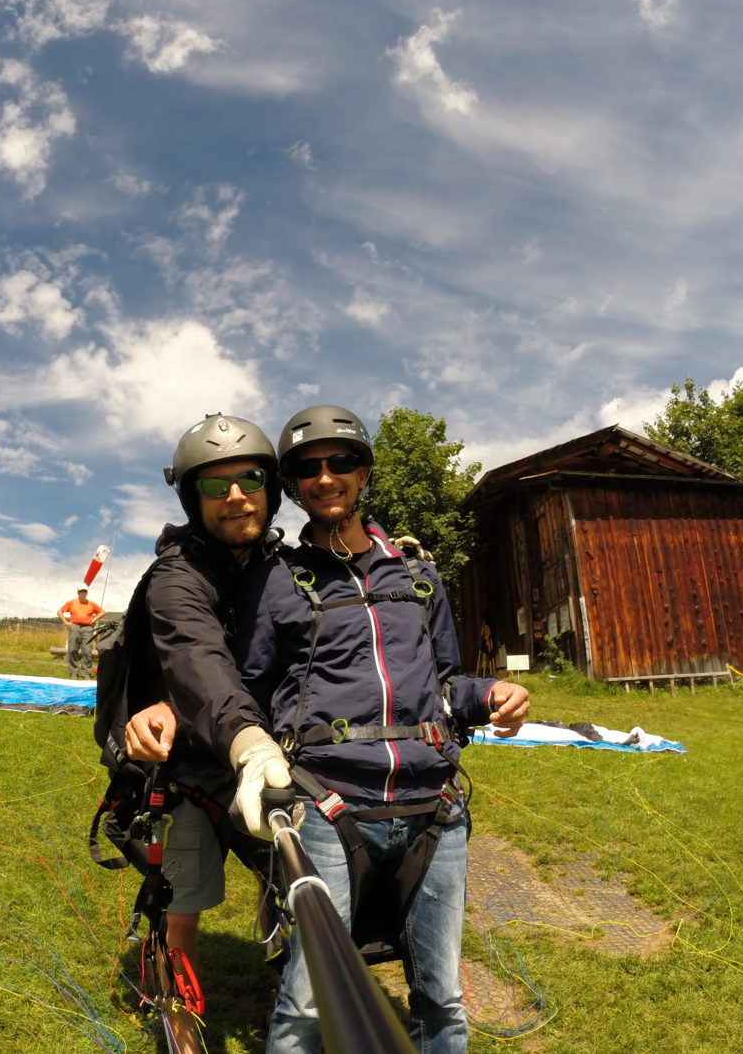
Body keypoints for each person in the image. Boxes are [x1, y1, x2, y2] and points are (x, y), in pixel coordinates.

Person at [231, 404, 531, 1054]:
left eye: (341, 461)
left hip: (434, 808)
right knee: (310, 1001)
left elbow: (448, 682)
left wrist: (492, 693)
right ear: (294, 485)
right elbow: (249, 691)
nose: (326, 476)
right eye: (308, 468)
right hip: (328, 801)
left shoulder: (418, 577)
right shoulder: (278, 582)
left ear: (363, 473)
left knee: (443, 999)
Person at [121, 412, 283, 973]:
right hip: (190, 764)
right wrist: (246, 741)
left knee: (288, 876)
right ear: (195, 500)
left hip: (271, 754)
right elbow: (197, 659)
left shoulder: (285, 568)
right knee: (181, 904)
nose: (236, 497)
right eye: (216, 486)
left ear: (273, 488)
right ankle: (181, 1022)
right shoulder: (176, 576)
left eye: (251, 481)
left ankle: (281, 976)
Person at [59, 587, 106, 678]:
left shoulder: (91, 603)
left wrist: (94, 619)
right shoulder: (72, 602)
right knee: (72, 649)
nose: (83, 593)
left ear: (87, 593)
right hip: (75, 627)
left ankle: (86, 673)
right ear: (78, 592)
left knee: (87, 651)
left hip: (88, 628)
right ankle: (73, 672)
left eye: (84, 591)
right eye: (81, 591)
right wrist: (66, 622)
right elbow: (59, 611)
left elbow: (102, 612)